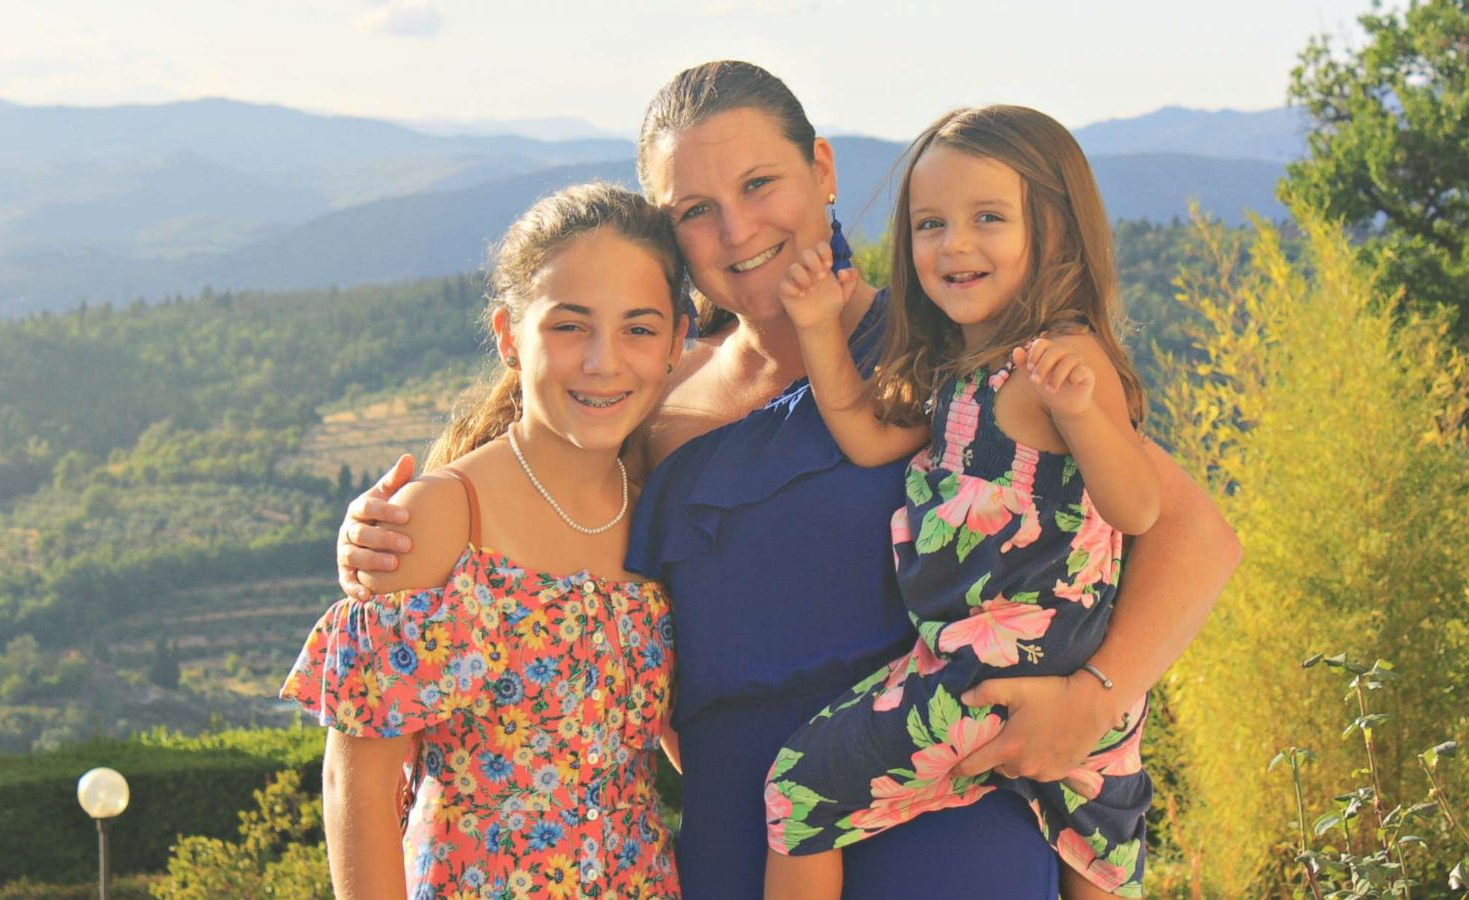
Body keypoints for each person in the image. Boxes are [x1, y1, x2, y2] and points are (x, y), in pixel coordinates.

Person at [337, 61, 1241, 899]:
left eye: (759, 184)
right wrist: (390, 533)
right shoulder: (650, 405)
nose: (736, 230)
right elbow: (538, 541)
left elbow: (1193, 534)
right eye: (694, 209)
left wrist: (1096, 699)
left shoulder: (947, 355)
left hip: (949, 822)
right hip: (741, 847)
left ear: (822, 168)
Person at [763, 105, 1156, 900]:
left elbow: (1139, 507)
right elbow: (869, 437)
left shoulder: (1064, 361)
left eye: (988, 218)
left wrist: (1083, 413)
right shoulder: (964, 369)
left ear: (1055, 231)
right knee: (1098, 860)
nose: (955, 244)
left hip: (978, 676)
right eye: (930, 223)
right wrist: (818, 328)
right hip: (1078, 682)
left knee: (797, 792)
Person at [281, 183, 689, 898]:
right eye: (569, 326)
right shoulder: (443, 518)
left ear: (677, 343)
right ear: (508, 336)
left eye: (639, 328)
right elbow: (359, 786)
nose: (603, 361)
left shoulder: (660, 511)